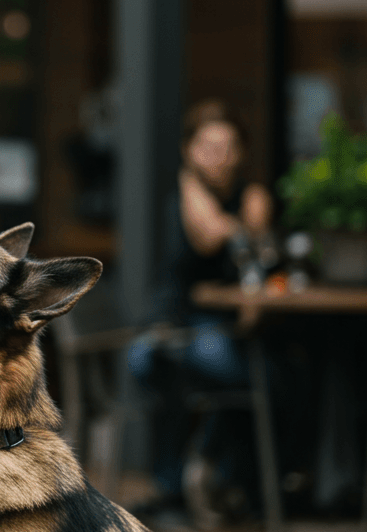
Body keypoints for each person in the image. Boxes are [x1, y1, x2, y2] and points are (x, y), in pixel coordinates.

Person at [127, 99, 273, 526]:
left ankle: (207, 470)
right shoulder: (185, 196)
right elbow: (209, 236)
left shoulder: (250, 195)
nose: (218, 156)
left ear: (243, 152)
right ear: (188, 150)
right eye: (207, 146)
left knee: (264, 374)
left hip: (222, 326)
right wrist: (189, 178)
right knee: (161, 362)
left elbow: (257, 247)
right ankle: (193, 476)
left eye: (228, 147)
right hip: (172, 323)